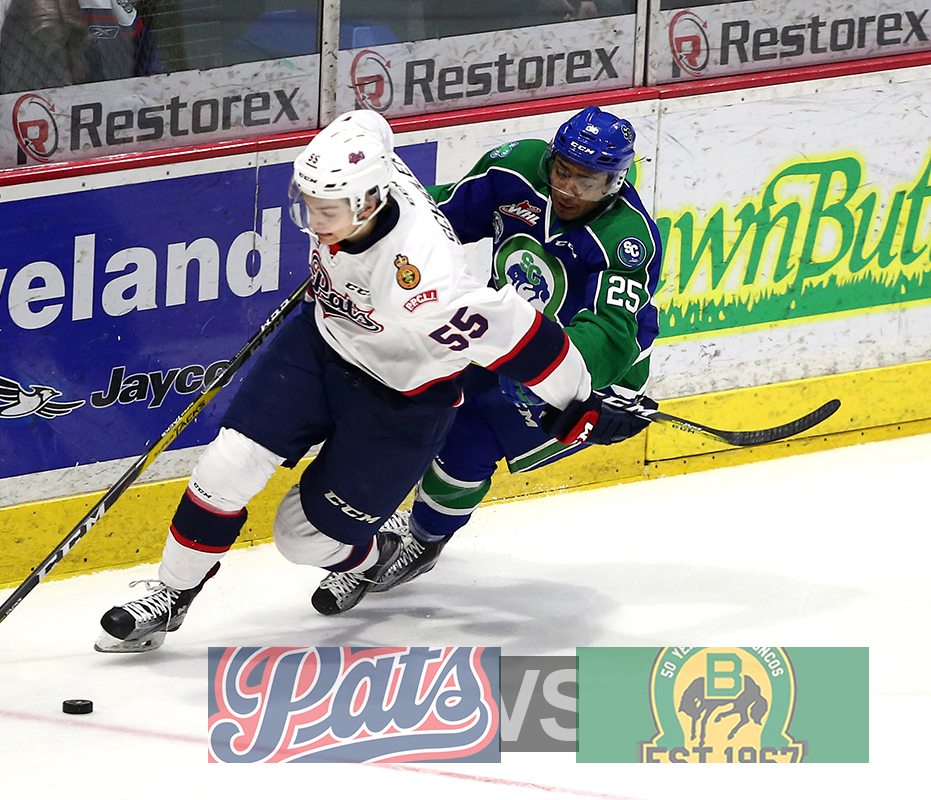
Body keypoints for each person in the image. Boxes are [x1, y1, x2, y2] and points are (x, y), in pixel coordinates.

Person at [93, 109, 648, 653]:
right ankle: (172, 592)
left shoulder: (426, 288)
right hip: (322, 343)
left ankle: (373, 558)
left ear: (367, 202)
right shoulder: (365, 161)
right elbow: (366, 119)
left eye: (327, 210)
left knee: (301, 538)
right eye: (308, 203)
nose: (314, 222)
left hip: (402, 397)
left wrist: (579, 402)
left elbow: (524, 337)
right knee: (227, 465)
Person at [362, 105, 663, 598]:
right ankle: (411, 511)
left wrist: (550, 369)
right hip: (504, 338)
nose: (569, 190)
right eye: (563, 172)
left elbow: (610, 334)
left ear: (614, 183)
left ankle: (423, 540)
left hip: (592, 376)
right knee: (420, 400)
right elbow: (440, 219)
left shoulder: (625, 240)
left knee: (470, 440)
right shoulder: (514, 169)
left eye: (587, 182)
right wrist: (376, 227)